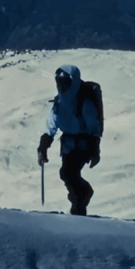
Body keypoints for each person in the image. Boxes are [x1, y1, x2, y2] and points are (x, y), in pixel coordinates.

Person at [36, 65, 102, 215]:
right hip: (68, 146)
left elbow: (93, 128)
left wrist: (94, 150)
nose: (61, 86)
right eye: (59, 82)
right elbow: (51, 126)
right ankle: (79, 202)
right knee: (68, 174)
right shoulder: (60, 102)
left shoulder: (83, 102)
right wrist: (43, 147)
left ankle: (80, 200)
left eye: (64, 82)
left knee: (68, 173)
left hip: (83, 145)